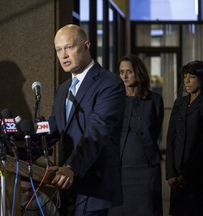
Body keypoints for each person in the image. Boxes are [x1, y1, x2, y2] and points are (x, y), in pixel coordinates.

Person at [47, 24, 125, 216]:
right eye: (58, 49)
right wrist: (17, 142)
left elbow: (97, 131)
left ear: (86, 45)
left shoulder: (110, 84)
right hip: (67, 186)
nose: (63, 55)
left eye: (69, 47)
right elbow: (52, 129)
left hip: (94, 185)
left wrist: (72, 167)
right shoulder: (63, 89)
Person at [109, 54, 164, 216]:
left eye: (129, 72)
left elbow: (156, 130)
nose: (124, 76)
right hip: (120, 168)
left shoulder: (154, 100)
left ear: (138, 73)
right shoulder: (114, 100)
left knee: (146, 209)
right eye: (121, 72)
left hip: (145, 167)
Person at [165, 60, 203, 216]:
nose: (187, 81)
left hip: (197, 175)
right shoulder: (179, 103)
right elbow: (170, 137)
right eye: (185, 76)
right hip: (177, 176)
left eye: (192, 77)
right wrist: (170, 173)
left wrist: (187, 175)